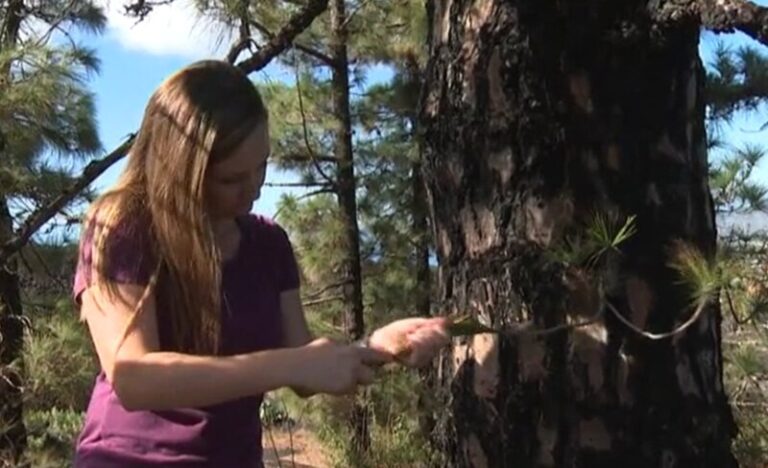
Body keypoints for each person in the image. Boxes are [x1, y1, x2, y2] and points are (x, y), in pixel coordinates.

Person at [71, 59, 449, 467]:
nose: (253, 188)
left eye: (262, 166)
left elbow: (303, 363)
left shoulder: (268, 244)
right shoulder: (124, 226)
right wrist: (291, 364)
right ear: (182, 170)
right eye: (232, 179)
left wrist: (375, 348)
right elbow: (133, 377)